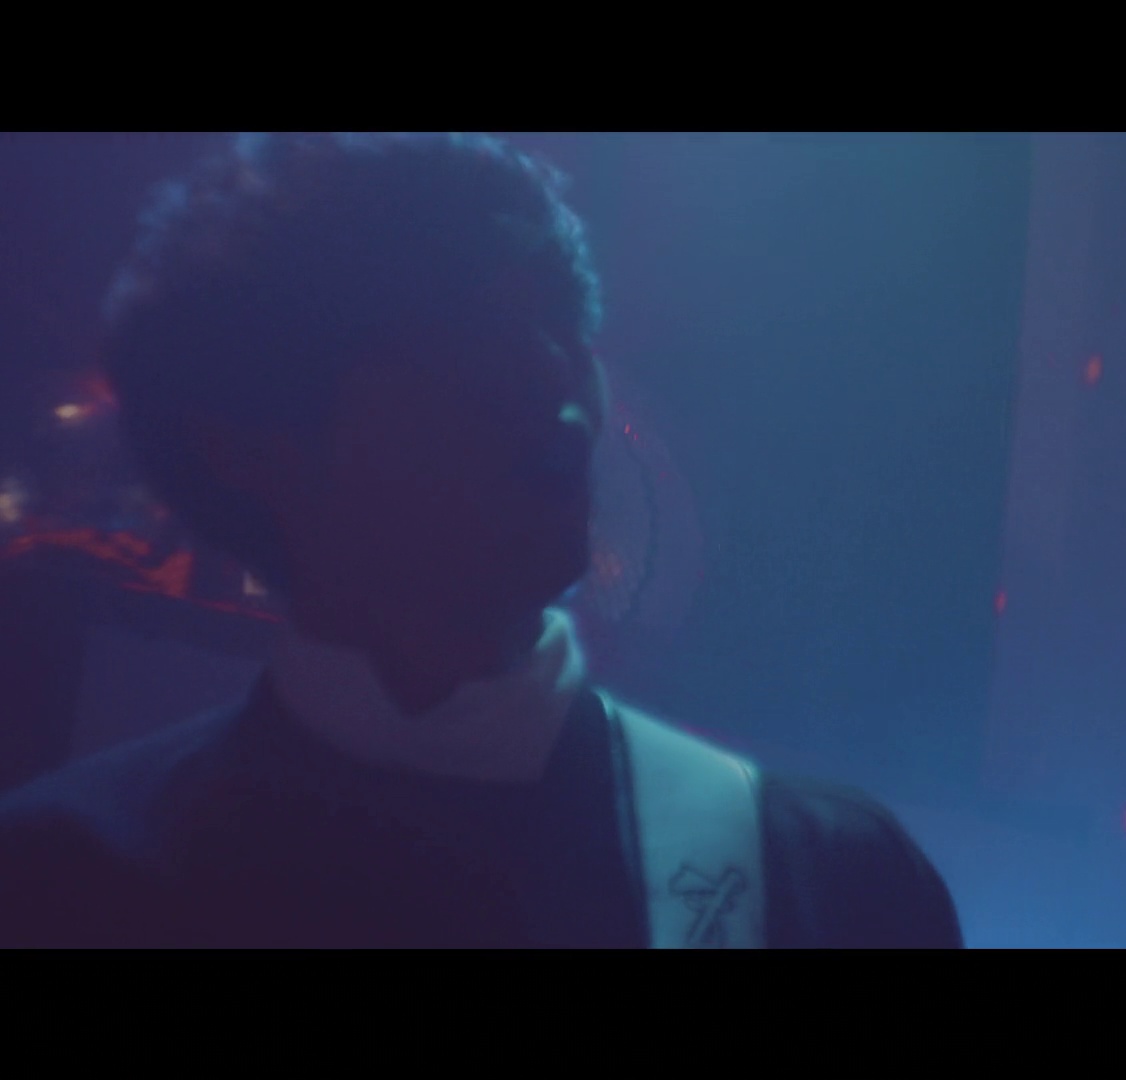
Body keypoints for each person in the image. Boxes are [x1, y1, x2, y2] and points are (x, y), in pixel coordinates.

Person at [0, 132, 963, 948]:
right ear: (252, 441)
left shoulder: (828, 881)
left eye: (560, 318)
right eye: (462, 330)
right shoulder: (62, 880)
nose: (554, 374)